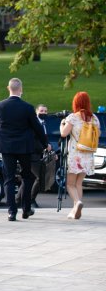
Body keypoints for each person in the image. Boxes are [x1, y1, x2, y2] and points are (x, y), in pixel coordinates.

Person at [0, 78, 49, 222]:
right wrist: (45, 143)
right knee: (27, 177)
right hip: (24, 147)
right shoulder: (27, 107)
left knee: (9, 179)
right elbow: (37, 127)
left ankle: (11, 212)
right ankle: (26, 208)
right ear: (21, 89)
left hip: (6, 147)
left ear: (8, 88)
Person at [60, 92, 100, 220]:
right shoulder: (94, 118)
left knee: (70, 184)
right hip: (88, 155)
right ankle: (75, 210)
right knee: (79, 184)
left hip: (75, 155)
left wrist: (62, 124)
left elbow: (63, 134)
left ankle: (77, 203)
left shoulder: (73, 117)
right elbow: (97, 135)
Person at [17, 104, 50, 210]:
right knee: (38, 178)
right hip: (31, 154)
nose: (43, 113)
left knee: (27, 178)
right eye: (41, 111)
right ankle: (30, 200)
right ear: (36, 111)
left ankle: (18, 199)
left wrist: (49, 149)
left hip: (37, 154)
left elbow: (44, 139)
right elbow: (35, 140)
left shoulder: (44, 124)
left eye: (45, 111)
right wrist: (44, 148)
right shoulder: (34, 123)